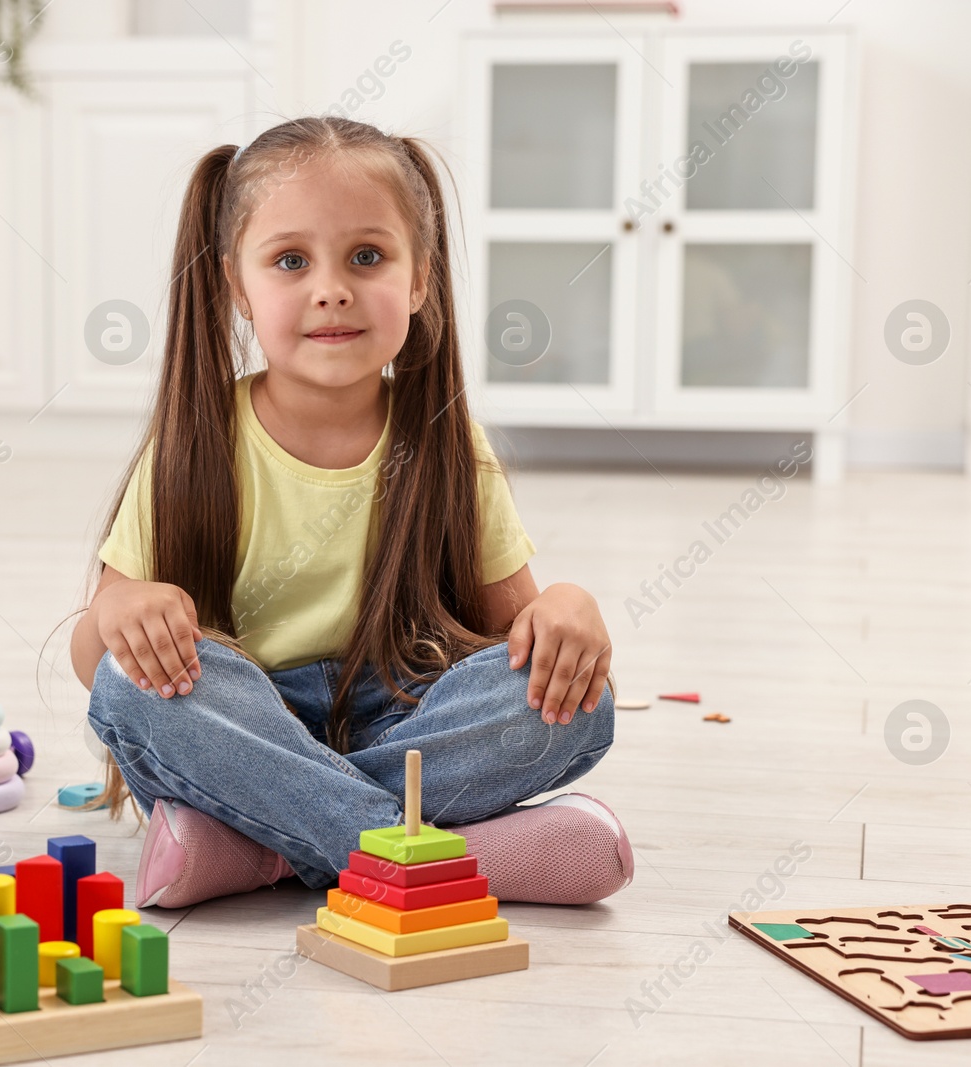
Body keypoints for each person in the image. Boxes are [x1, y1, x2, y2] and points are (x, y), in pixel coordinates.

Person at [68, 116, 633, 909]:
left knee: (580, 702)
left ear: (420, 279)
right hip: (244, 724)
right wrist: (121, 607)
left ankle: (258, 850)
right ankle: (447, 858)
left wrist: (569, 611)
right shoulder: (196, 440)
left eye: (366, 256)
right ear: (237, 283)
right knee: (132, 687)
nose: (330, 287)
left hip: (404, 716)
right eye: (290, 260)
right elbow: (94, 659)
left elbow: (523, 636)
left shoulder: (447, 444)